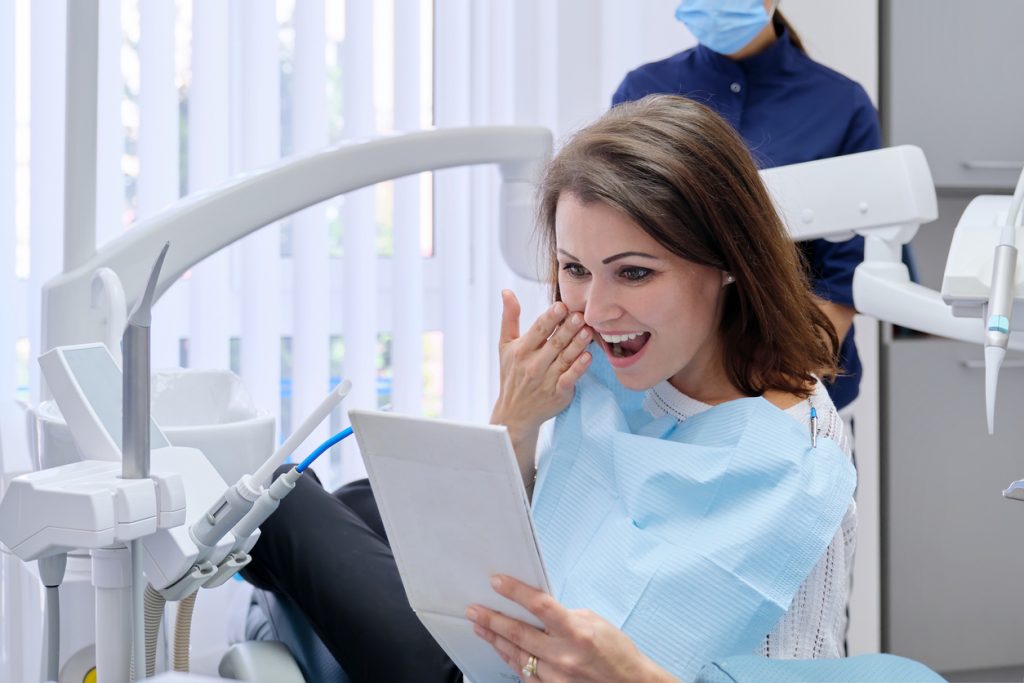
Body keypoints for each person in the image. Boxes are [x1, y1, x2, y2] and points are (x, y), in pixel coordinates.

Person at [243, 95, 856, 683]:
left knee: (276, 498)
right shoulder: (606, 363)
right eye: (575, 269)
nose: (595, 309)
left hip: (488, 667)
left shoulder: (794, 465)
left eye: (635, 272)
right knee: (362, 499)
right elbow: (546, 517)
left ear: (729, 261)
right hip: (501, 618)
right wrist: (516, 421)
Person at [611, 0, 906, 413]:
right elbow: (616, 241)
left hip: (792, 383)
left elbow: (847, 278)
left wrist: (780, 395)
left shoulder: (842, 104)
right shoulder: (643, 92)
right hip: (666, 386)